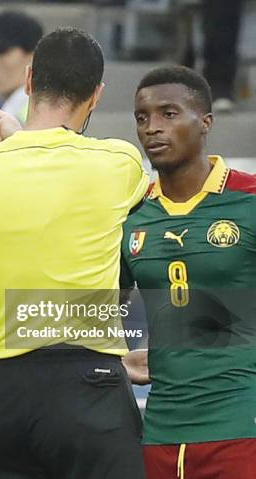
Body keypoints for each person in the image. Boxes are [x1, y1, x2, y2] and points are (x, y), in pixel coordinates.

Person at [0, 27, 149, 479]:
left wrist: (19, 311)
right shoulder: (119, 163)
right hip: (89, 385)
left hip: (4, 392)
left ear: (28, 80)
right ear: (96, 95)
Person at [122, 65, 256, 478]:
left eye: (169, 114)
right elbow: (98, 308)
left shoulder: (248, 200)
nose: (152, 129)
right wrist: (114, 356)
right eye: (142, 118)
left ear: (206, 123)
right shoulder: (130, 214)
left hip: (239, 426)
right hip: (161, 430)